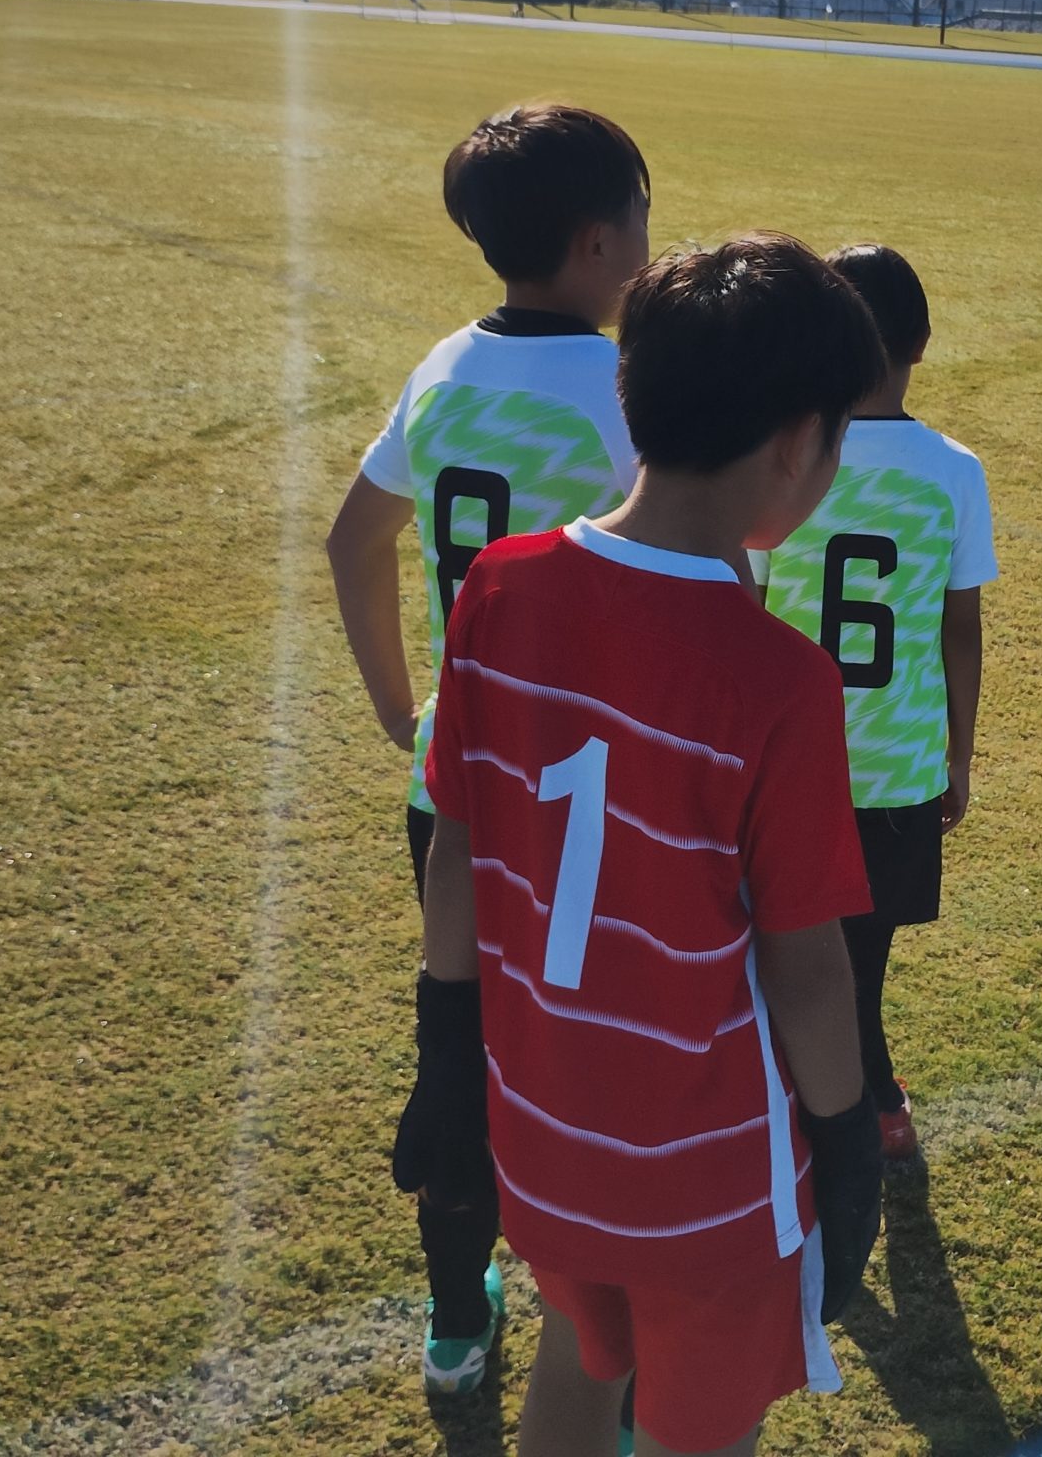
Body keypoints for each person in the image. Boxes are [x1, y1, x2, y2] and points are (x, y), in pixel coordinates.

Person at [405, 232, 887, 1457]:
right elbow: (807, 964)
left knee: (579, 1349)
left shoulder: (497, 586)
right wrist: (846, 1144)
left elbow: (455, 847)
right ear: (799, 440)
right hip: (706, 1172)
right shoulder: (779, 678)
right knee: (700, 1427)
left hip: (541, 1122)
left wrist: (445, 1051)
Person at [325, 104, 649, 1398]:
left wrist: (399, 710)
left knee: (457, 1044)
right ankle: (600, 1333)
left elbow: (353, 539)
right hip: (592, 798)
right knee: (594, 1057)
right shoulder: (627, 392)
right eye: (640, 213)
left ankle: (456, 1322)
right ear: (596, 241)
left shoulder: (444, 366)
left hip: (455, 786)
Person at [761, 245, 995, 1165]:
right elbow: (960, 628)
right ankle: (875, 1100)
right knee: (862, 950)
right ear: (922, 344)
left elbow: (747, 607)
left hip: (788, 758)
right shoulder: (954, 469)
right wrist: (959, 754)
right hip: (898, 763)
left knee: (787, 940)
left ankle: (838, 1101)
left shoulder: (779, 456)